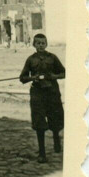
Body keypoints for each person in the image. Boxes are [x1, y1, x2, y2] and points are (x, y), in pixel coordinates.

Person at [19, 33, 65, 163]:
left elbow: (64, 73)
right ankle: (42, 153)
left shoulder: (53, 58)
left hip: (52, 93)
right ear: (34, 45)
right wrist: (32, 78)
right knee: (39, 122)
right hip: (37, 94)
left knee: (55, 118)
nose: (40, 45)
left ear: (46, 44)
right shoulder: (30, 60)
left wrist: (53, 76)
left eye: (43, 43)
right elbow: (22, 78)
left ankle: (56, 139)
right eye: (38, 43)